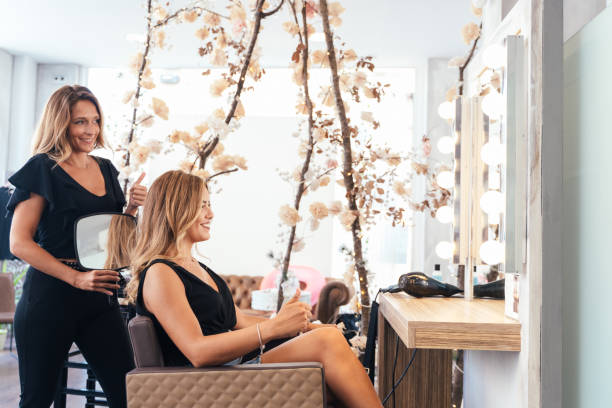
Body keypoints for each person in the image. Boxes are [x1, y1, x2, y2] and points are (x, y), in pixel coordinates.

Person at [127, 170, 383, 408]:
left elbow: (239, 320)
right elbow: (198, 351)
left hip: (229, 370)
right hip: (208, 382)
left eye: (209, 204)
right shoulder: (161, 273)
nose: (210, 214)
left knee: (327, 337)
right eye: (202, 205)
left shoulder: (196, 267)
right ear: (177, 209)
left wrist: (298, 326)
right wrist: (274, 328)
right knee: (326, 342)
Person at [7, 85, 147, 408]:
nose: (91, 130)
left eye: (95, 121)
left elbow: (111, 241)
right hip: (49, 300)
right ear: (61, 124)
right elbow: (19, 242)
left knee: (130, 396)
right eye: (80, 121)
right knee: (37, 400)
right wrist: (76, 278)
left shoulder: (106, 170)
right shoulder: (42, 169)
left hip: (100, 300)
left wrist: (131, 211)